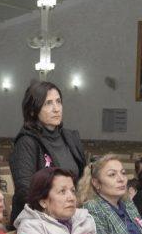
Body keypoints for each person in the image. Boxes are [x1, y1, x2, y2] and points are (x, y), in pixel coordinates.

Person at [9, 81, 86, 226]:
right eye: (48, 103)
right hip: (38, 220)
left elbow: (82, 180)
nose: (56, 109)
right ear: (33, 110)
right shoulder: (26, 142)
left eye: (58, 102)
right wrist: (55, 210)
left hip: (70, 215)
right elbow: (25, 191)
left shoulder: (71, 138)